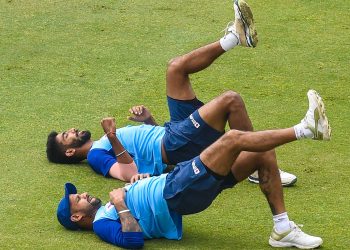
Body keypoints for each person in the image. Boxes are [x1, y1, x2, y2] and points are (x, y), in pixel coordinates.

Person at [46, 0, 297, 186]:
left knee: (176, 68)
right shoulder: (96, 156)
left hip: (170, 132)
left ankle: (234, 37)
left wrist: (148, 120)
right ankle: (254, 162)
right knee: (231, 100)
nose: (72, 130)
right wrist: (112, 136)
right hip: (175, 143)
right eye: (66, 136)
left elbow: (148, 152)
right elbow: (127, 172)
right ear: (69, 152)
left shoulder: (102, 146)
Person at [57, 86, 331, 249]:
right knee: (234, 138)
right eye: (77, 199)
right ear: (77, 218)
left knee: (260, 152)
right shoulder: (103, 223)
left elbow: (135, 185)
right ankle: (305, 129)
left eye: (77, 193)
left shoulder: (107, 210)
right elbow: (133, 242)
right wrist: (121, 203)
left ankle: (282, 229)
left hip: (177, 180)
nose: (82, 194)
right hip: (176, 191)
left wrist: (139, 181)